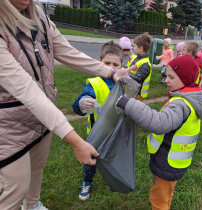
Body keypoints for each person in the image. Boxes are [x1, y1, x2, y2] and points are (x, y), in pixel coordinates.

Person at [0, 1, 134, 209]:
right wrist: (75, 141)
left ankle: (33, 205)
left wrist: (111, 73)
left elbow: (67, 52)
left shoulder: (38, 14)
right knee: (15, 188)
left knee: (37, 169)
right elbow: (27, 91)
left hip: (43, 120)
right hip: (9, 125)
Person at [115, 55, 202, 210]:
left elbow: (158, 122)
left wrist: (128, 104)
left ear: (185, 79)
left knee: (158, 200)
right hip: (172, 161)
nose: (166, 80)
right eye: (167, 76)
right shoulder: (188, 99)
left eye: (171, 77)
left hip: (167, 163)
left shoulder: (181, 105)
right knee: (165, 194)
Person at [72, 41, 124, 201]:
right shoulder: (94, 84)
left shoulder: (124, 84)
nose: (111, 66)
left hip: (116, 133)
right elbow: (78, 106)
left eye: (115, 64)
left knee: (113, 158)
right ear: (99, 63)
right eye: (107, 63)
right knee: (91, 159)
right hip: (96, 133)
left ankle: (112, 179)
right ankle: (87, 181)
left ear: (122, 66)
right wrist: (83, 103)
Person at [127, 32, 152, 100]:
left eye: (135, 46)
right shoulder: (135, 57)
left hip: (138, 94)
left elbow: (138, 78)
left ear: (141, 48)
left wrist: (126, 74)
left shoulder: (145, 64)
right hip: (132, 90)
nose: (133, 48)